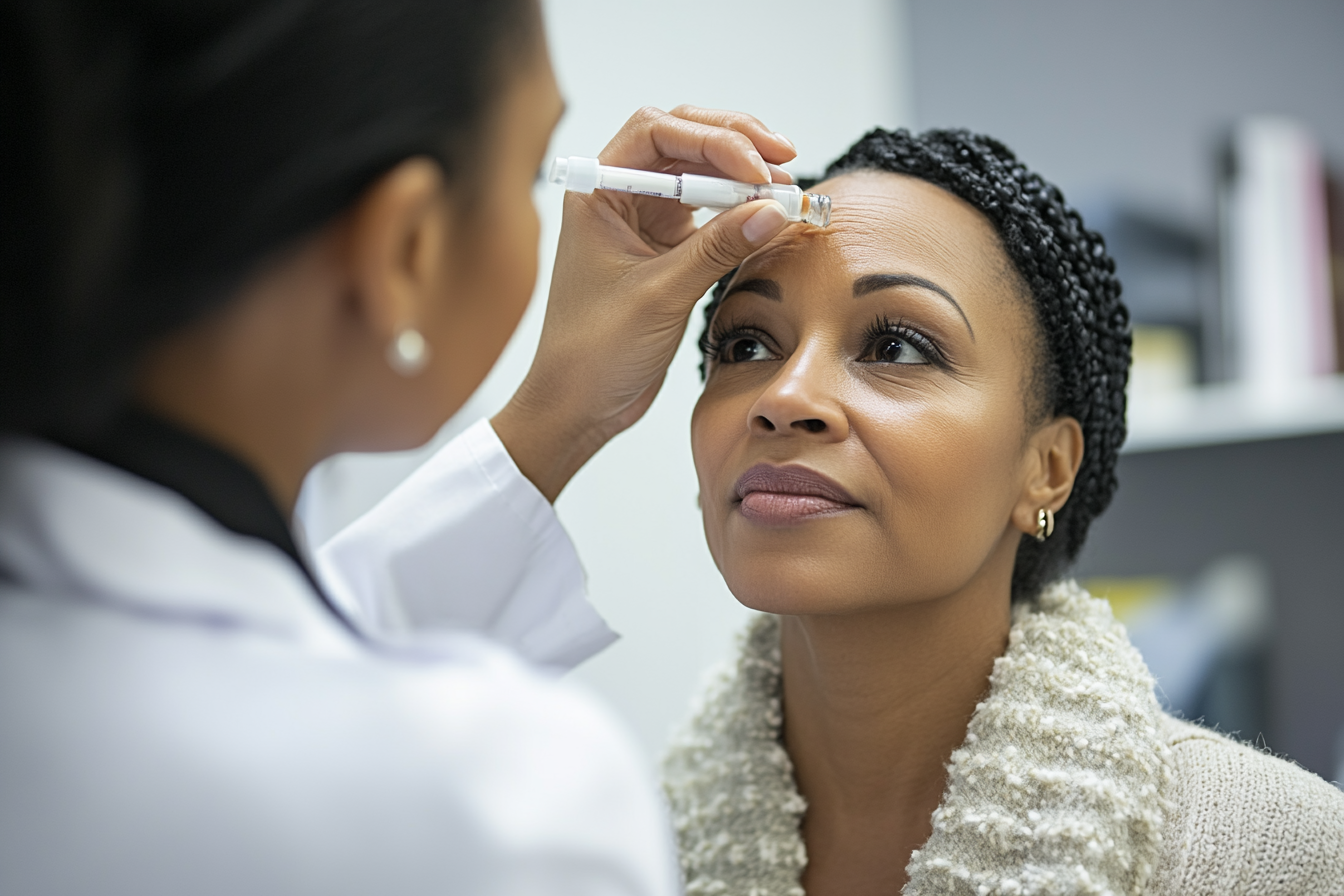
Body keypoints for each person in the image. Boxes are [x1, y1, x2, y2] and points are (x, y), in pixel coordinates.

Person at [0, 0, 800, 892]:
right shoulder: (497, 810)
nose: (791, 402)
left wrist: (561, 414)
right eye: (532, 175)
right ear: (404, 248)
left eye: (896, 348)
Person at [663, 128, 1344, 895]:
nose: (783, 397)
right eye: (747, 346)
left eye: (897, 347)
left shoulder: (1276, 854)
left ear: (1046, 470)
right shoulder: (622, 844)